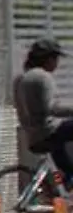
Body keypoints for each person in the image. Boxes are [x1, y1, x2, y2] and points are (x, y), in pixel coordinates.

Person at [15, 36, 73, 184]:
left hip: (34, 136)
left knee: (65, 167)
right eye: (56, 58)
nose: (57, 63)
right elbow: (52, 108)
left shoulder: (21, 79)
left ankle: (63, 186)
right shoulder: (43, 77)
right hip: (49, 131)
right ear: (48, 59)